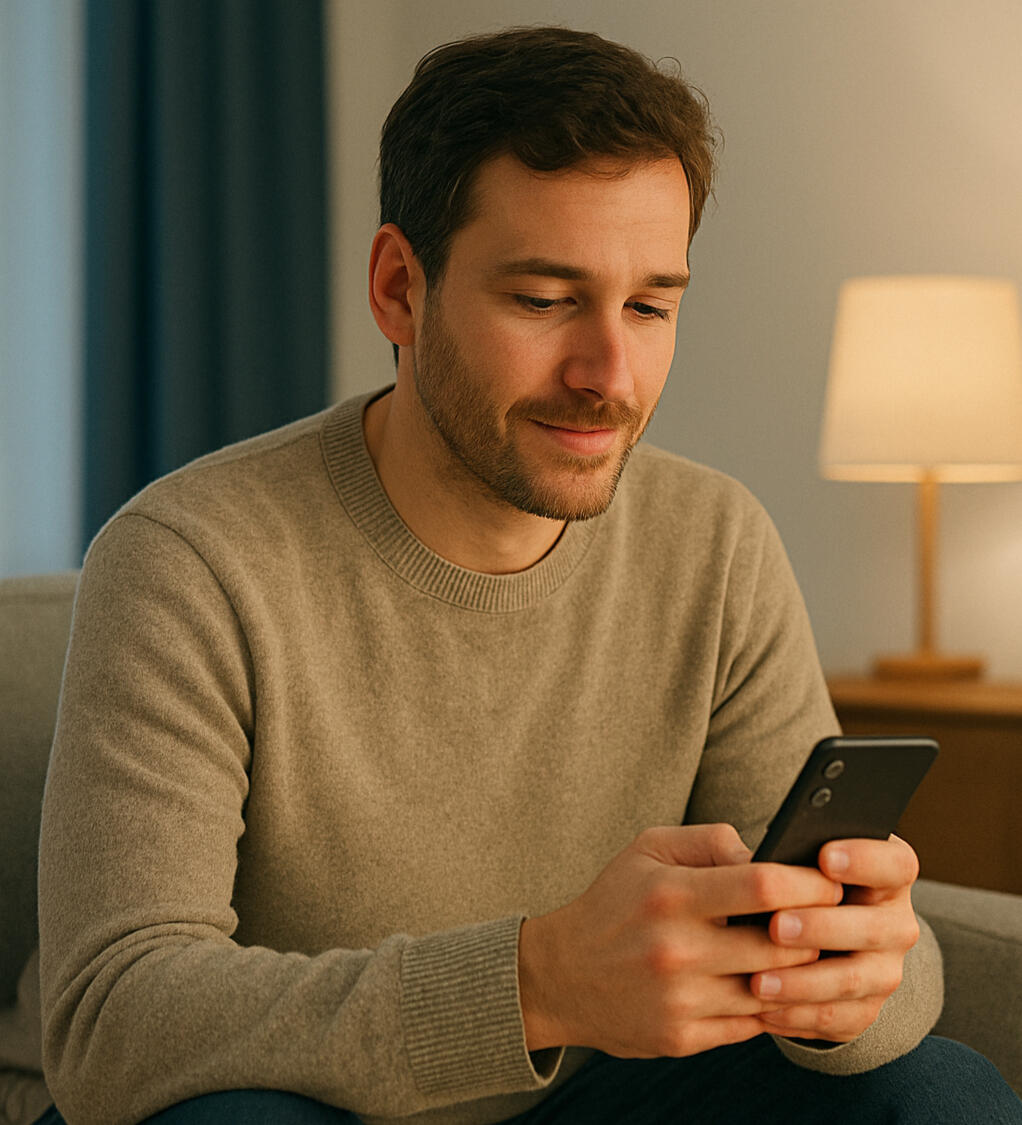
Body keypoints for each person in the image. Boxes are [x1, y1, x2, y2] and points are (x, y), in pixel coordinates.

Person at [35, 25, 1021, 1125]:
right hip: (320, 1110)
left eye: (648, 306)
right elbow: (109, 1019)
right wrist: (535, 983)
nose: (609, 374)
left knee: (936, 1091)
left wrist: (854, 982)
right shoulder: (188, 561)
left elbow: (867, 976)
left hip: (601, 1109)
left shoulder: (713, 543)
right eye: (545, 300)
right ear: (399, 289)